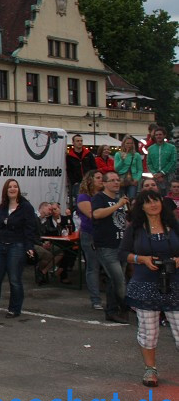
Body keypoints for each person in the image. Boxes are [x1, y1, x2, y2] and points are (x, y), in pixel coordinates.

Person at [120, 189, 179, 388]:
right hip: (145, 284)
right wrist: (141, 259)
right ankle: (150, 369)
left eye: (157, 201)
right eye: (148, 202)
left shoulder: (174, 225)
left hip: (176, 284)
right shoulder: (135, 228)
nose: (153, 205)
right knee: (148, 331)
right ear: (141, 206)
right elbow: (123, 253)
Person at [0, 179, 36, 318]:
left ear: (18, 189)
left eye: (15, 186)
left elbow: (30, 228)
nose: (12, 189)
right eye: (10, 187)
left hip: (17, 245)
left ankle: (14, 309)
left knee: (14, 279)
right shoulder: (2, 207)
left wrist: (29, 246)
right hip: (1, 245)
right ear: (6, 190)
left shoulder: (26, 207)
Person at [92, 170, 131, 324]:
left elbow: (123, 221)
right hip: (106, 246)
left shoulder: (119, 200)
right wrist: (117, 205)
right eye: (112, 180)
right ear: (105, 183)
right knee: (119, 279)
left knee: (114, 280)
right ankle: (125, 307)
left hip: (121, 245)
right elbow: (96, 214)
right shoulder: (99, 198)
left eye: (117, 180)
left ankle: (113, 310)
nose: (116, 182)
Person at [75, 170, 104, 310]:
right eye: (98, 178)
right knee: (93, 267)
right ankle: (95, 299)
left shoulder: (106, 196)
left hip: (106, 235)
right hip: (90, 234)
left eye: (102, 178)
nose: (101, 180)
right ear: (90, 180)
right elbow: (94, 215)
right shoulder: (83, 197)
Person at [66, 135, 96, 204]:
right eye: (78, 141)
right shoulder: (70, 156)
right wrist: (74, 181)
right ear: (73, 142)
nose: (80, 142)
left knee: (91, 200)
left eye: (81, 141)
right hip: (77, 182)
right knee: (79, 201)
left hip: (89, 181)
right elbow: (69, 170)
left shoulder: (88, 154)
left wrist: (92, 178)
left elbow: (94, 167)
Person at [147, 127, 176, 195]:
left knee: (170, 195)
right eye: (156, 135)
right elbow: (149, 163)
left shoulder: (171, 147)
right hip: (155, 176)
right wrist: (155, 174)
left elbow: (173, 161)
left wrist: (162, 172)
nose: (158, 136)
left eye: (160, 134)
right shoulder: (150, 149)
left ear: (164, 135)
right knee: (156, 195)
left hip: (169, 175)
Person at [114, 135, 143, 200]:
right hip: (122, 179)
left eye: (131, 143)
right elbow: (116, 168)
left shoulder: (136, 155)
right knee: (121, 198)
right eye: (127, 143)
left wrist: (137, 179)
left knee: (132, 198)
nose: (129, 145)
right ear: (123, 144)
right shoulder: (118, 154)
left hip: (133, 179)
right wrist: (122, 160)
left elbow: (140, 169)